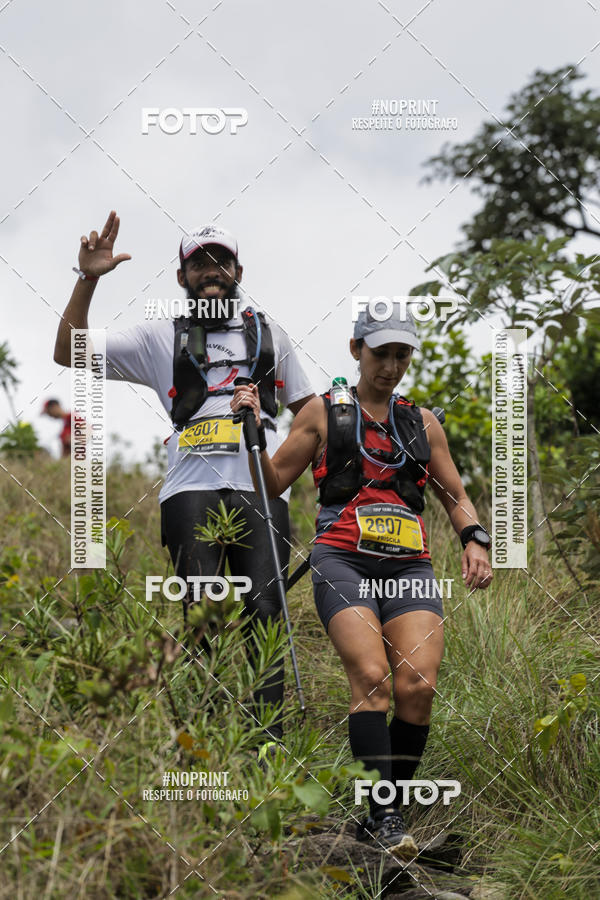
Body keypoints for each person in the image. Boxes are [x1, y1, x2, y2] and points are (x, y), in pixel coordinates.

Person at [231, 304, 493, 854]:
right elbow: (272, 481)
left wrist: (474, 539)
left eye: (401, 355)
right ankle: (385, 816)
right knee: (372, 678)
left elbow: (455, 496)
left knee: (417, 687)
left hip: (409, 565)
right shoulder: (323, 413)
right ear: (356, 350)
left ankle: (383, 817)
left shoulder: (422, 423)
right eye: (381, 354)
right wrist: (250, 428)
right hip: (342, 560)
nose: (391, 367)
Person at [53, 210, 315, 754]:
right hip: (188, 492)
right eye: (199, 264)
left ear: (239, 271)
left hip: (259, 489)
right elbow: (68, 350)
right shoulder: (160, 336)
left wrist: (285, 472)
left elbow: (311, 412)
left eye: (221, 261)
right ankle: (205, 745)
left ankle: (265, 749)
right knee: (203, 614)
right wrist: (88, 279)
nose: (211, 271)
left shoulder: (270, 334)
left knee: (266, 614)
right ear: (182, 276)